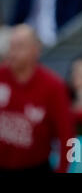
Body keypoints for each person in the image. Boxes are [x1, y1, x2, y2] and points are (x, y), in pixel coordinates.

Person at [0, 24, 74, 172]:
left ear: (36, 50)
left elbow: (69, 136)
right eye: (11, 46)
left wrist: (64, 169)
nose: (13, 53)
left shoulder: (53, 86)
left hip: (36, 167)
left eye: (19, 47)